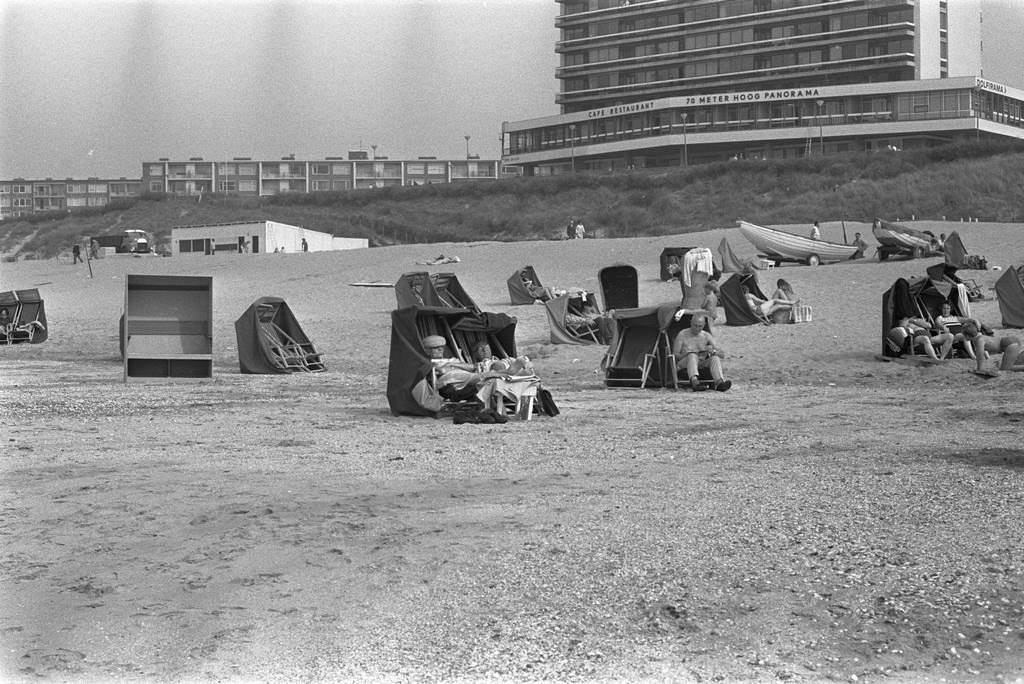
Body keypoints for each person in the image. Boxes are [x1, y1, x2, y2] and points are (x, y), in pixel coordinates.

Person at [672, 313, 731, 392]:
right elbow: (675, 355)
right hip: (684, 364)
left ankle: (719, 382)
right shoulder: (682, 335)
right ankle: (694, 382)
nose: (697, 328)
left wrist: (713, 351)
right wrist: (688, 353)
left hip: (701, 363)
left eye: (700, 326)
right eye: (695, 325)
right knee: (692, 355)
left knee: (714, 358)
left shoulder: (706, 336)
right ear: (691, 323)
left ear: (704, 325)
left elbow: (722, 354)